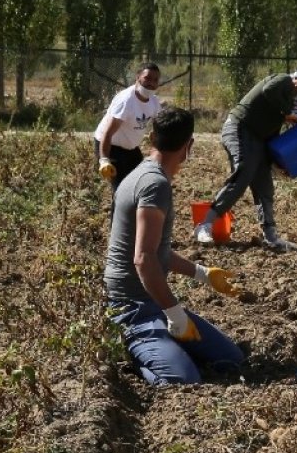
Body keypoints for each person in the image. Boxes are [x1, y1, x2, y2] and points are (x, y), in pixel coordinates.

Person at [104, 106, 245, 385]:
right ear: (189, 145)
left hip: (151, 301)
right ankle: (132, 349)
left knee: (231, 359)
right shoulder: (154, 185)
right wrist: (174, 313)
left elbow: (157, 253)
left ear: (152, 136)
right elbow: (144, 259)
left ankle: (165, 342)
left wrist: (202, 273)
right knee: (182, 379)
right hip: (132, 308)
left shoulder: (141, 173)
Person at [195, 68, 297, 250]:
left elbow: (273, 134)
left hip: (259, 139)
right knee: (244, 172)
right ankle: (205, 224)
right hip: (240, 128)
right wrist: (286, 115)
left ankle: (271, 237)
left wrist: (277, 162)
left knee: (264, 185)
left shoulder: (291, 103)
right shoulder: (283, 81)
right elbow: (268, 91)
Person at [94, 63, 163, 192]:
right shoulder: (126, 101)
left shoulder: (154, 102)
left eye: (155, 80)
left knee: (139, 184)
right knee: (121, 191)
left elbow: (158, 129)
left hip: (131, 149)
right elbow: (107, 133)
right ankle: (118, 212)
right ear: (137, 77)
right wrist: (104, 160)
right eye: (147, 78)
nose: (151, 83)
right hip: (110, 146)